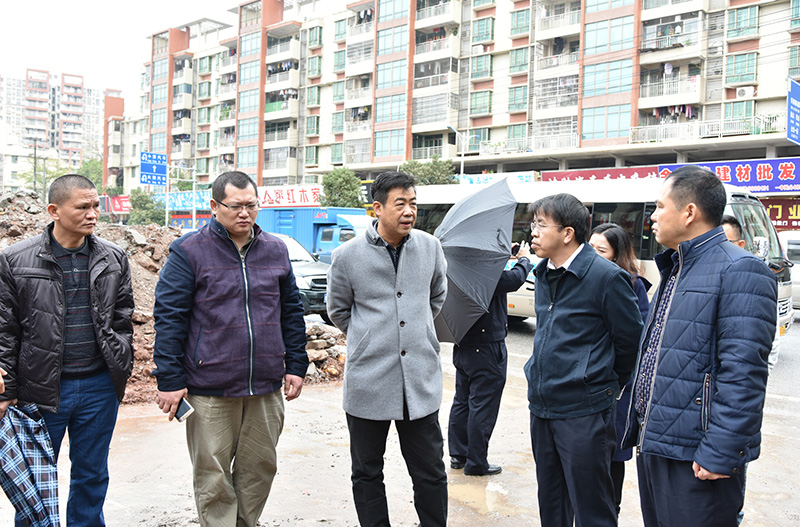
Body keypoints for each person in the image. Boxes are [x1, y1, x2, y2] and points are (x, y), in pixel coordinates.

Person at [623, 166, 777, 527]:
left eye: (660, 207)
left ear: (689, 212)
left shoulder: (740, 270)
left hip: (698, 457)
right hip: (658, 444)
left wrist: (721, 452)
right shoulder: (676, 268)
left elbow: (744, 373)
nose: (652, 217)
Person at [153, 171, 308, 527]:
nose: (245, 213)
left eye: (251, 205)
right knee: (213, 475)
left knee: (259, 469)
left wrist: (296, 365)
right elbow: (170, 317)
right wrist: (170, 378)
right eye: (235, 206)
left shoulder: (275, 249)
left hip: (265, 386)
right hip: (210, 387)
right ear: (214, 206)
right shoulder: (189, 251)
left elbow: (292, 311)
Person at [0, 174, 134, 527]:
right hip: (40, 389)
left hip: (98, 388)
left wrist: (121, 361)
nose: (93, 214)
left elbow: (122, 318)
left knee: (91, 476)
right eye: (83, 207)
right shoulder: (15, 260)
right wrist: (8, 390)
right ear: (54, 210)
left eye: (95, 206)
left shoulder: (114, 258)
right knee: (34, 481)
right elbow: (5, 331)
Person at [326, 171, 449, 527]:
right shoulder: (347, 255)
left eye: (413, 203)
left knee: (430, 471)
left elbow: (436, 296)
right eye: (401, 204)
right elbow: (338, 309)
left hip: (419, 382)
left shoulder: (430, 247)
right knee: (366, 472)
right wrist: (371, 337)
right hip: (369, 380)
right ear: (377, 208)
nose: (409, 211)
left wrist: (415, 331)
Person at [524, 194, 643, 527]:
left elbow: (631, 342)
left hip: (584, 412)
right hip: (543, 407)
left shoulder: (606, 277)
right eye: (533, 223)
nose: (533, 231)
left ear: (567, 233)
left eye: (540, 224)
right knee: (551, 502)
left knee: (592, 507)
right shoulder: (544, 273)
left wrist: (601, 385)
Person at [448, 241, 534, 476]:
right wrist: (524, 259)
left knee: (462, 400)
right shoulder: (483, 273)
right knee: (482, 406)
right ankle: (476, 463)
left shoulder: (458, 266)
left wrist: (505, 254)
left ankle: (458, 454)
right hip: (487, 349)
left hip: (463, 344)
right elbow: (514, 279)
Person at [589, 223, 651, 516]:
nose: (593, 255)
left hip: (617, 385)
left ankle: (610, 509)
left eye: (601, 250)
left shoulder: (632, 284)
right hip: (586, 386)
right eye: (589, 248)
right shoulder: (577, 278)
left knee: (612, 451)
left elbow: (635, 338)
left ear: (617, 256)